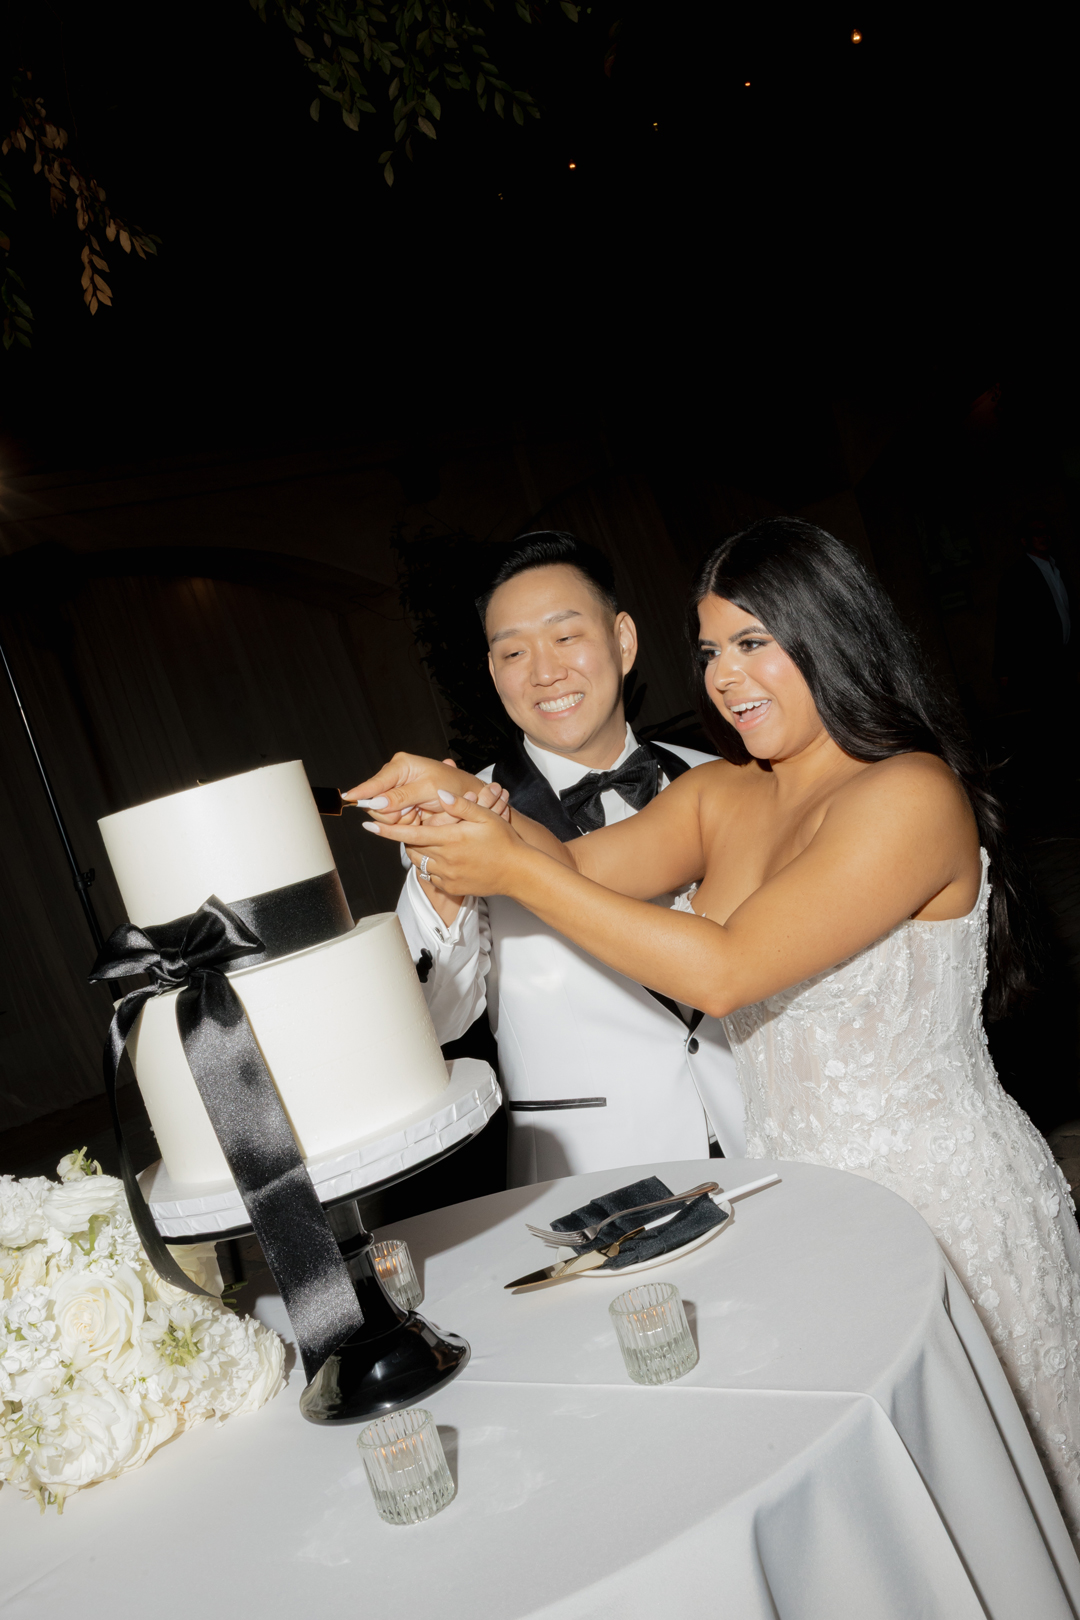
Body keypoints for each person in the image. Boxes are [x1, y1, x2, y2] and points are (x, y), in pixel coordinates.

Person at [357, 518, 1080, 1538]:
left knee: (1014, 1497)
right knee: (895, 1513)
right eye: (711, 650)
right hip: (808, 1209)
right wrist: (455, 803)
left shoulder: (909, 794)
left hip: (947, 1205)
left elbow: (730, 970)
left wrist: (511, 864)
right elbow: (570, 871)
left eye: (755, 643)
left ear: (830, 635)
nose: (729, 677)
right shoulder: (722, 794)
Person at [348, 531, 746, 1185]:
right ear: (492, 672)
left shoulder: (722, 780)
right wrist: (441, 882)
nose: (544, 672)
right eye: (513, 651)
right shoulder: (460, 814)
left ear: (623, 641)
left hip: (761, 1130)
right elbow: (435, 1021)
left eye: (565, 638)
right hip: (595, 1174)